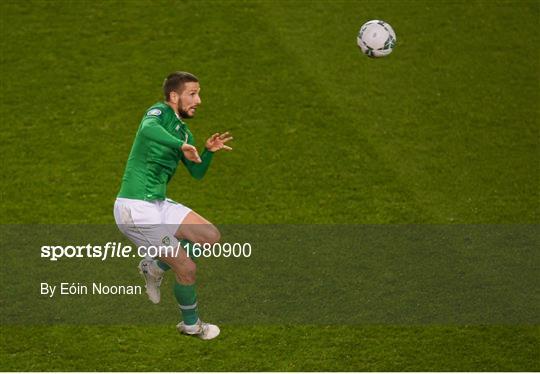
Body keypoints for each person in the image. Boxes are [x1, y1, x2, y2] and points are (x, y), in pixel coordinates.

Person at [113, 71, 232, 340]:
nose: (198, 100)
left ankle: (154, 266)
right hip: (135, 208)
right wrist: (181, 145)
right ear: (173, 96)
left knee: (210, 236)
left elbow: (197, 173)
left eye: (199, 93)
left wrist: (207, 153)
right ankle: (191, 325)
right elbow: (147, 129)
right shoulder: (157, 112)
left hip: (157, 202)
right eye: (193, 93)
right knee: (186, 268)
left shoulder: (184, 130)